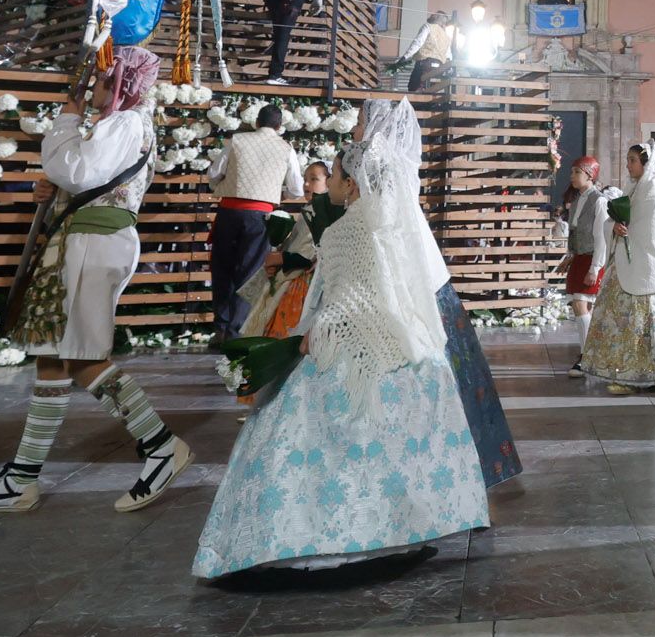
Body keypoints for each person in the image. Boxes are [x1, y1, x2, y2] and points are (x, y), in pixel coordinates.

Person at [193, 136, 489, 578]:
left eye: (332, 175)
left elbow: (349, 296)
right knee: (386, 449)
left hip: (349, 344)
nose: (327, 182)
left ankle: (320, 539)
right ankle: (393, 529)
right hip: (405, 346)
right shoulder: (391, 223)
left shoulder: (346, 230)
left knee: (299, 433)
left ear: (351, 184)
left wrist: (316, 333)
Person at [0, 48, 189, 515]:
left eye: (102, 79)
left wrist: (65, 124)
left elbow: (81, 170)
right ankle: (24, 476)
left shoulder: (126, 123)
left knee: (78, 356)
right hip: (85, 239)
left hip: (95, 243)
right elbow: (78, 177)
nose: (91, 88)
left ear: (121, 84)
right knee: (55, 358)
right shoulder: (118, 125)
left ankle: (160, 445)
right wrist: (54, 186)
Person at [358, 96, 521, 485]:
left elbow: (380, 228)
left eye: (360, 121)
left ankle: (433, 468)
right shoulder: (397, 164)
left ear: (376, 124)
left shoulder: (378, 165)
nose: (353, 129)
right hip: (427, 276)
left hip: (405, 283)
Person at [581, 142, 655, 392]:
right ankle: (630, 372)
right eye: (628, 159)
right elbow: (616, 221)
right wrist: (616, 227)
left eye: (632, 160)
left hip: (650, 266)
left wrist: (627, 230)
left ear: (646, 164)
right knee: (627, 320)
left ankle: (642, 375)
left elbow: (651, 231)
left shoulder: (651, 190)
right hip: (629, 262)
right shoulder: (632, 187)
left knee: (644, 321)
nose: (628, 164)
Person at [206, 104, 304, 341]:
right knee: (249, 273)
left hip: (229, 211)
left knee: (222, 269)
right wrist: (276, 192)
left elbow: (213, 174)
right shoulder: (285, 149)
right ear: (279, 127)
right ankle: (235, 332)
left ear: (256, 122)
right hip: (260, 216)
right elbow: (296, 189)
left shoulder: (237, 140)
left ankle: (221, 327)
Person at [238, 160, 332, 342]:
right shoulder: (309, 210)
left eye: (314, 179)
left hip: (303, 283)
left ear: (329, 182)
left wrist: (280, 259)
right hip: (291, 278)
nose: (306, 184)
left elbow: (310, 255)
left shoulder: (322, 213)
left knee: (287, 332)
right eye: (305, 179)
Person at [555, 155, 617, 376]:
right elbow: (575, 232)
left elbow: (601, 237)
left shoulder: (599, 201)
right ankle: (591, 355)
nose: (572, 176)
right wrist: (570, 255)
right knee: (580, 307)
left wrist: (595, 268)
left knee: (581, 304)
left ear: (590, 175)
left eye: (577, 172)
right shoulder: (578, 200)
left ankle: (588, 356)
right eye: (572, 172)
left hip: (592, 259)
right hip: (579, 257)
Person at [402, 11, 455, 91]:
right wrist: (450, 69)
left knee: (414, 89)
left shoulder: (428, 27)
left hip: (424, 65)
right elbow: (449, 56)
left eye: (435, 14)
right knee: (431, 91)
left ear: (436, 17)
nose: (432, 14)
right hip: (439, 69)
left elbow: (418, 42)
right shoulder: (446, 37)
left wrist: (405, 56)